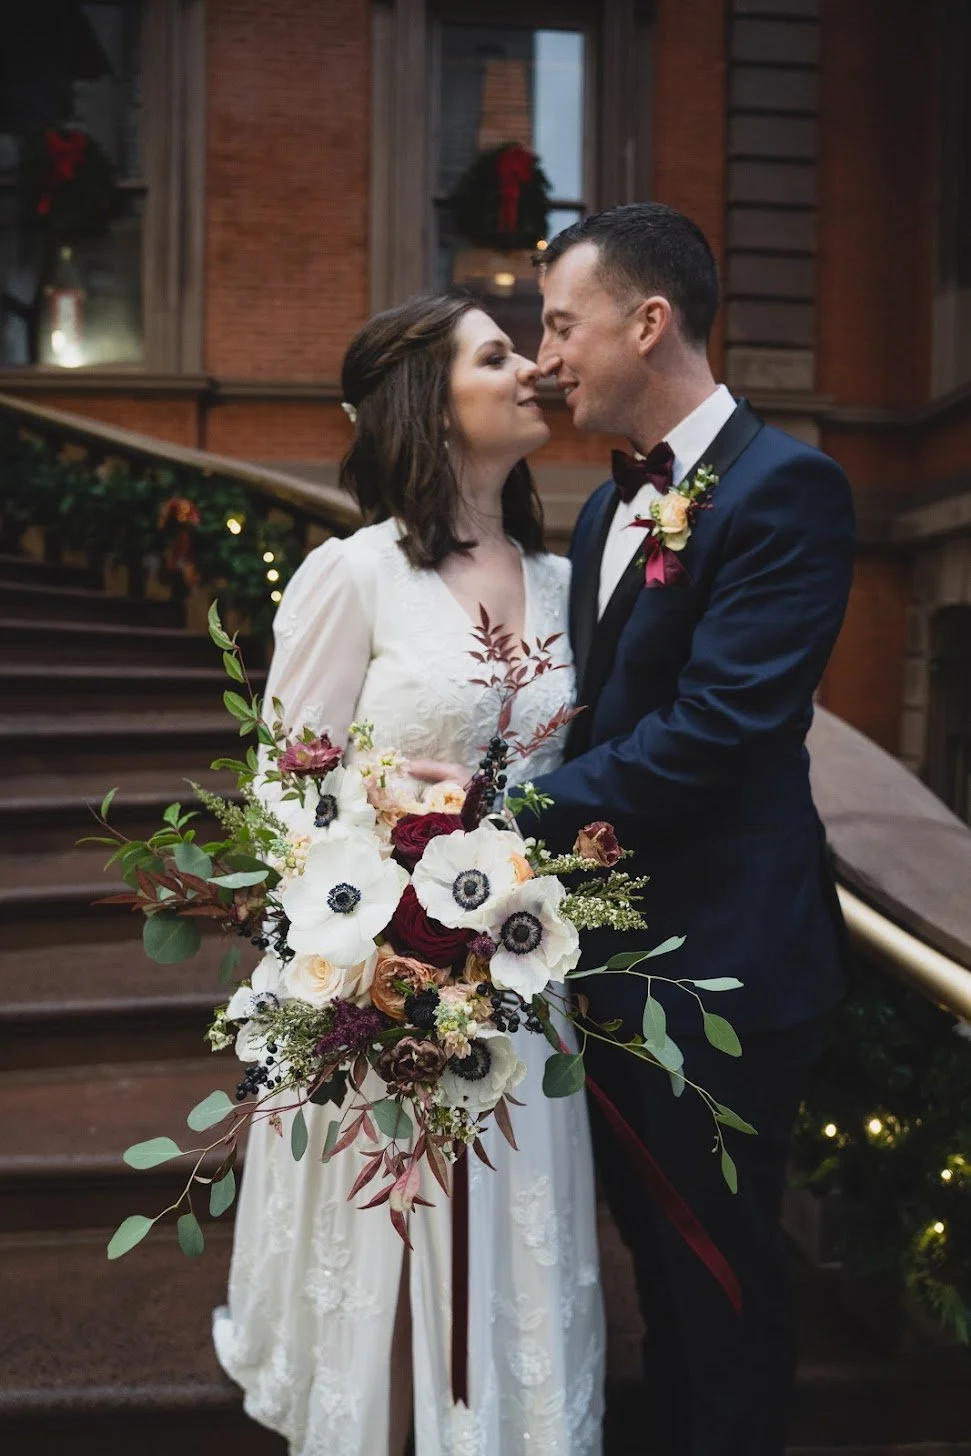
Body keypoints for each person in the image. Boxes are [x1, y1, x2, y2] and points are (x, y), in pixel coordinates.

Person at [213, 293, 606, 1456]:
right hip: (384, 985)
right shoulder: (356, 574)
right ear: (429, 405)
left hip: (520, 990)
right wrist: (381, 827)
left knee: (499, 1267)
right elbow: (280, 788)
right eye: (495, 355)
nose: (530, 369)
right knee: (394, 1260)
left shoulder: (565, 581)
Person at [523, 202, 856, 1456]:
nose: (546, 357)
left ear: (646, 322)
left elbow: (718, 729)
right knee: (655, 1273)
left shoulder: (787, 488)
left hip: (724, 966)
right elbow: (598, 713)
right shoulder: (601, 511)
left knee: (721, 1282)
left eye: (561, 325)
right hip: (610, 962)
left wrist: (503, 818)